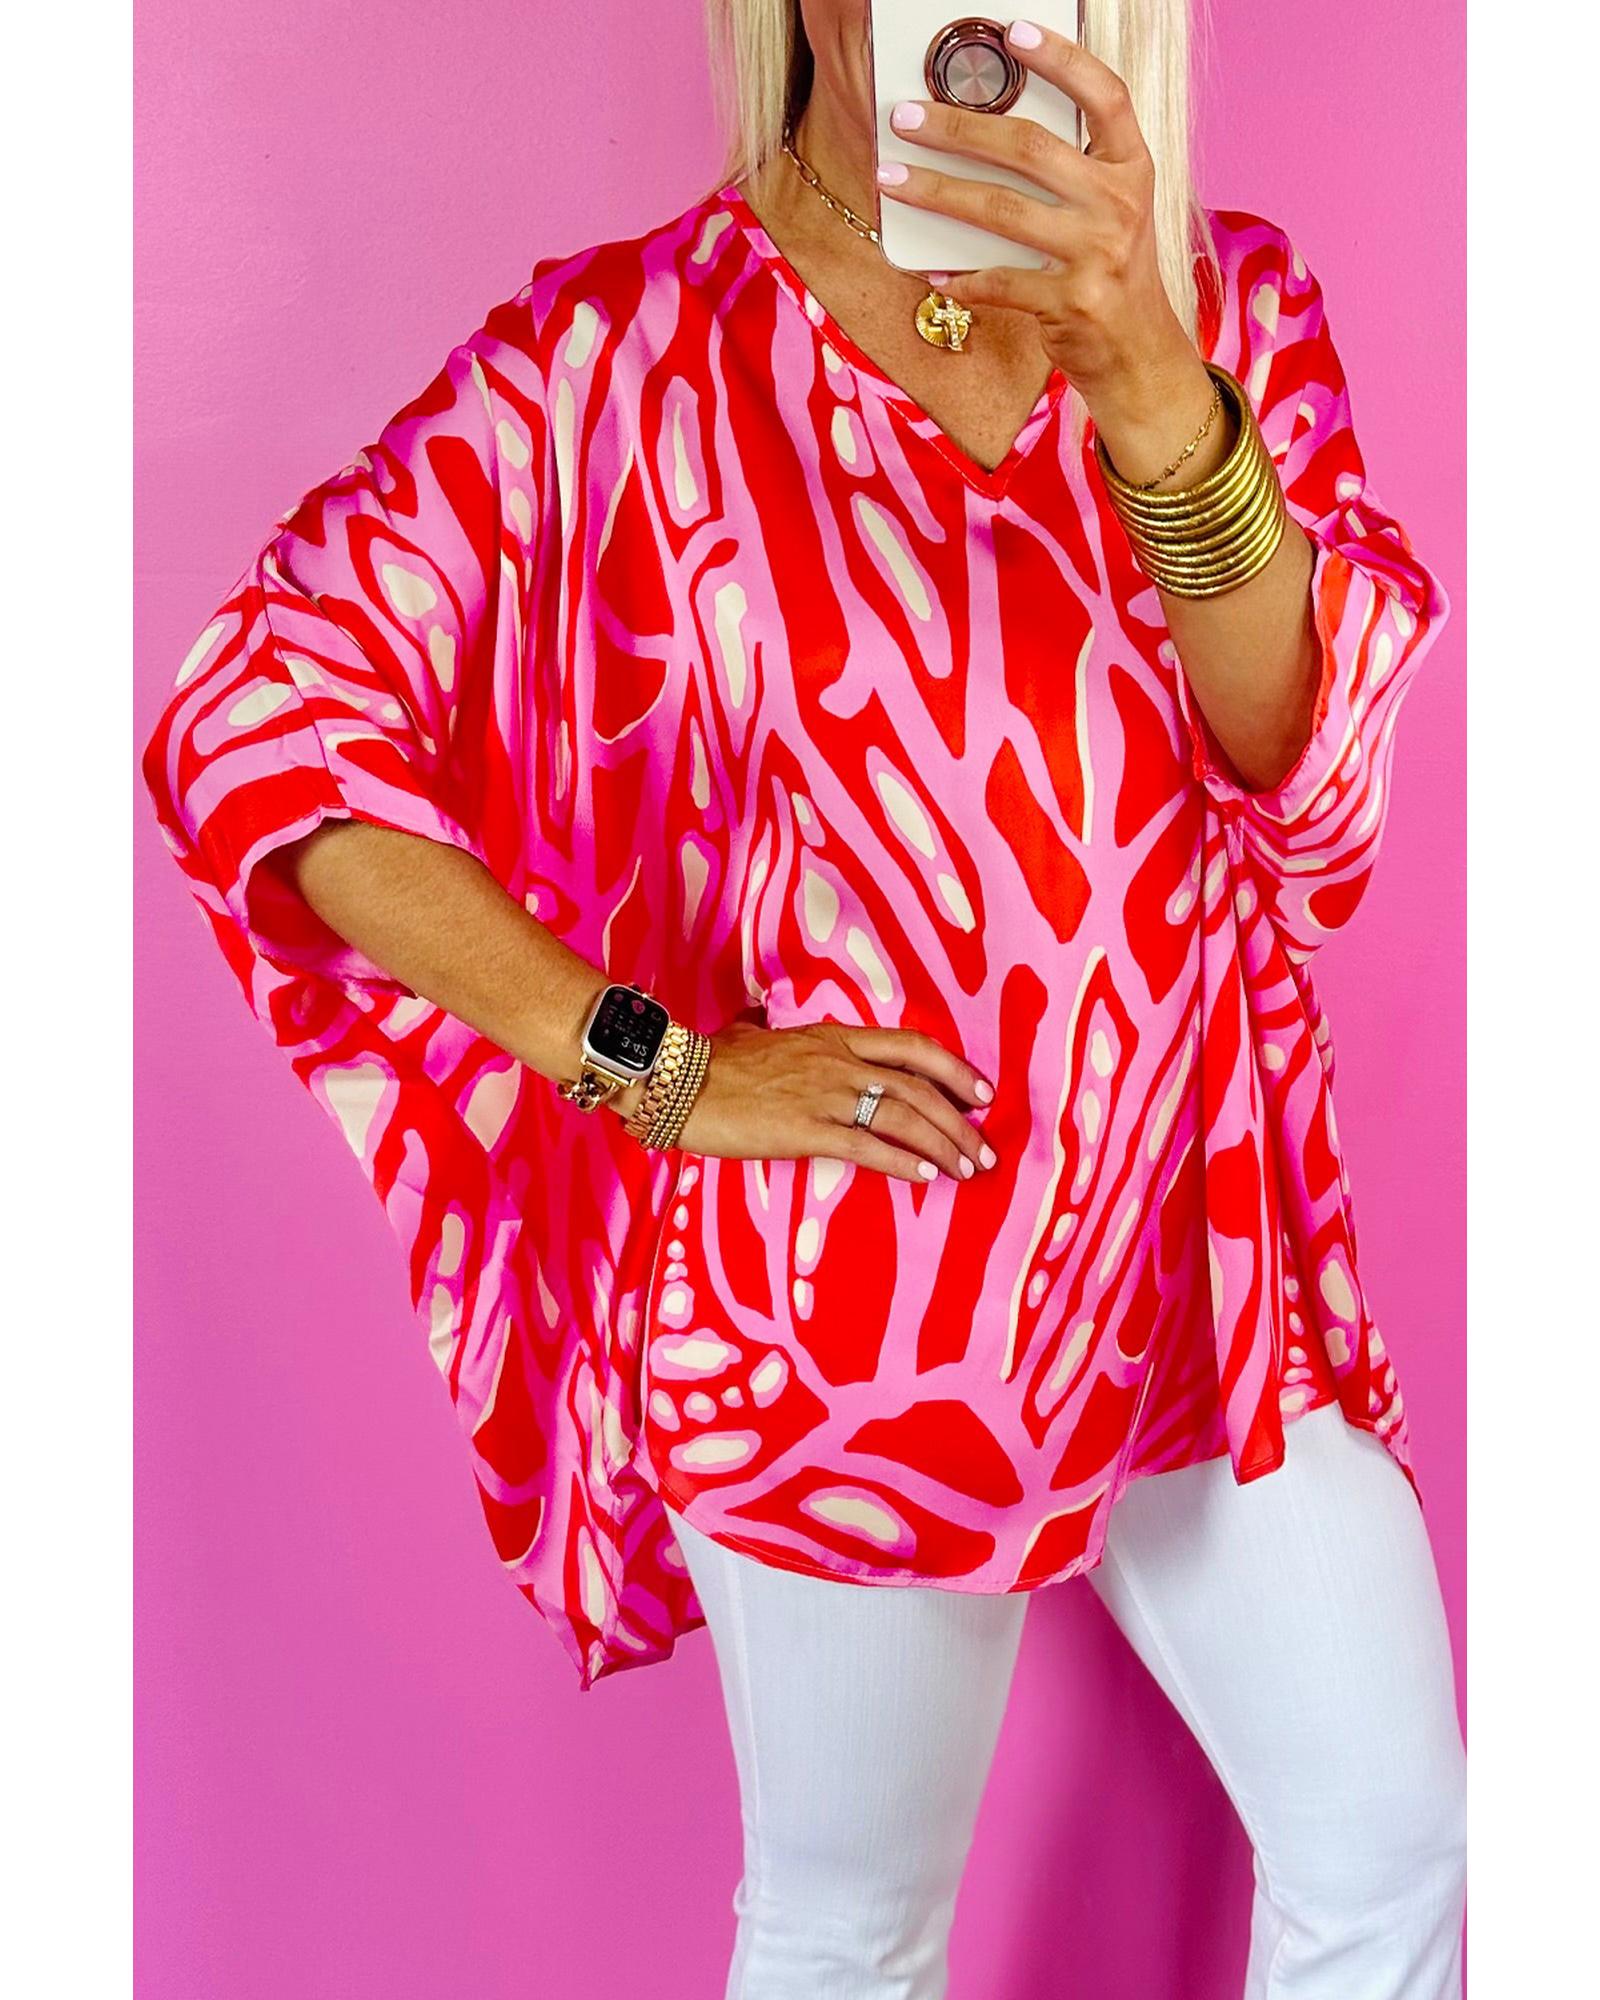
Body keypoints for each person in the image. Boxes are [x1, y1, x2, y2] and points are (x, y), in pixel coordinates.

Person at [141, 3, 1466, 1994]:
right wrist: (653, 1069)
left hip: (1198, 1255)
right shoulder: (629, 356)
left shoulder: (1223, 306)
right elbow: (251, 717)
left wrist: (1147, 379)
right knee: (851, 1931)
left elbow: (1316, 805)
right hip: (846, 1297)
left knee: (1389, 1841)